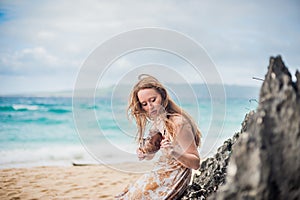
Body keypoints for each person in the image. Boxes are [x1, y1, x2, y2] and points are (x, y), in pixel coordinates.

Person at [116, 74, 201, 199]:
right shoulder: (159, 121)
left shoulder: (179, 123)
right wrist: (144, 153)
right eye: (144, 104)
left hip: (174, 177)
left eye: (153, 100)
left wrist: (174, 152)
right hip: (160, 171)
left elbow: (196, 163)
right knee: (125, 194)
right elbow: (151, 154)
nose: (150, 107)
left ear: (163, 96)